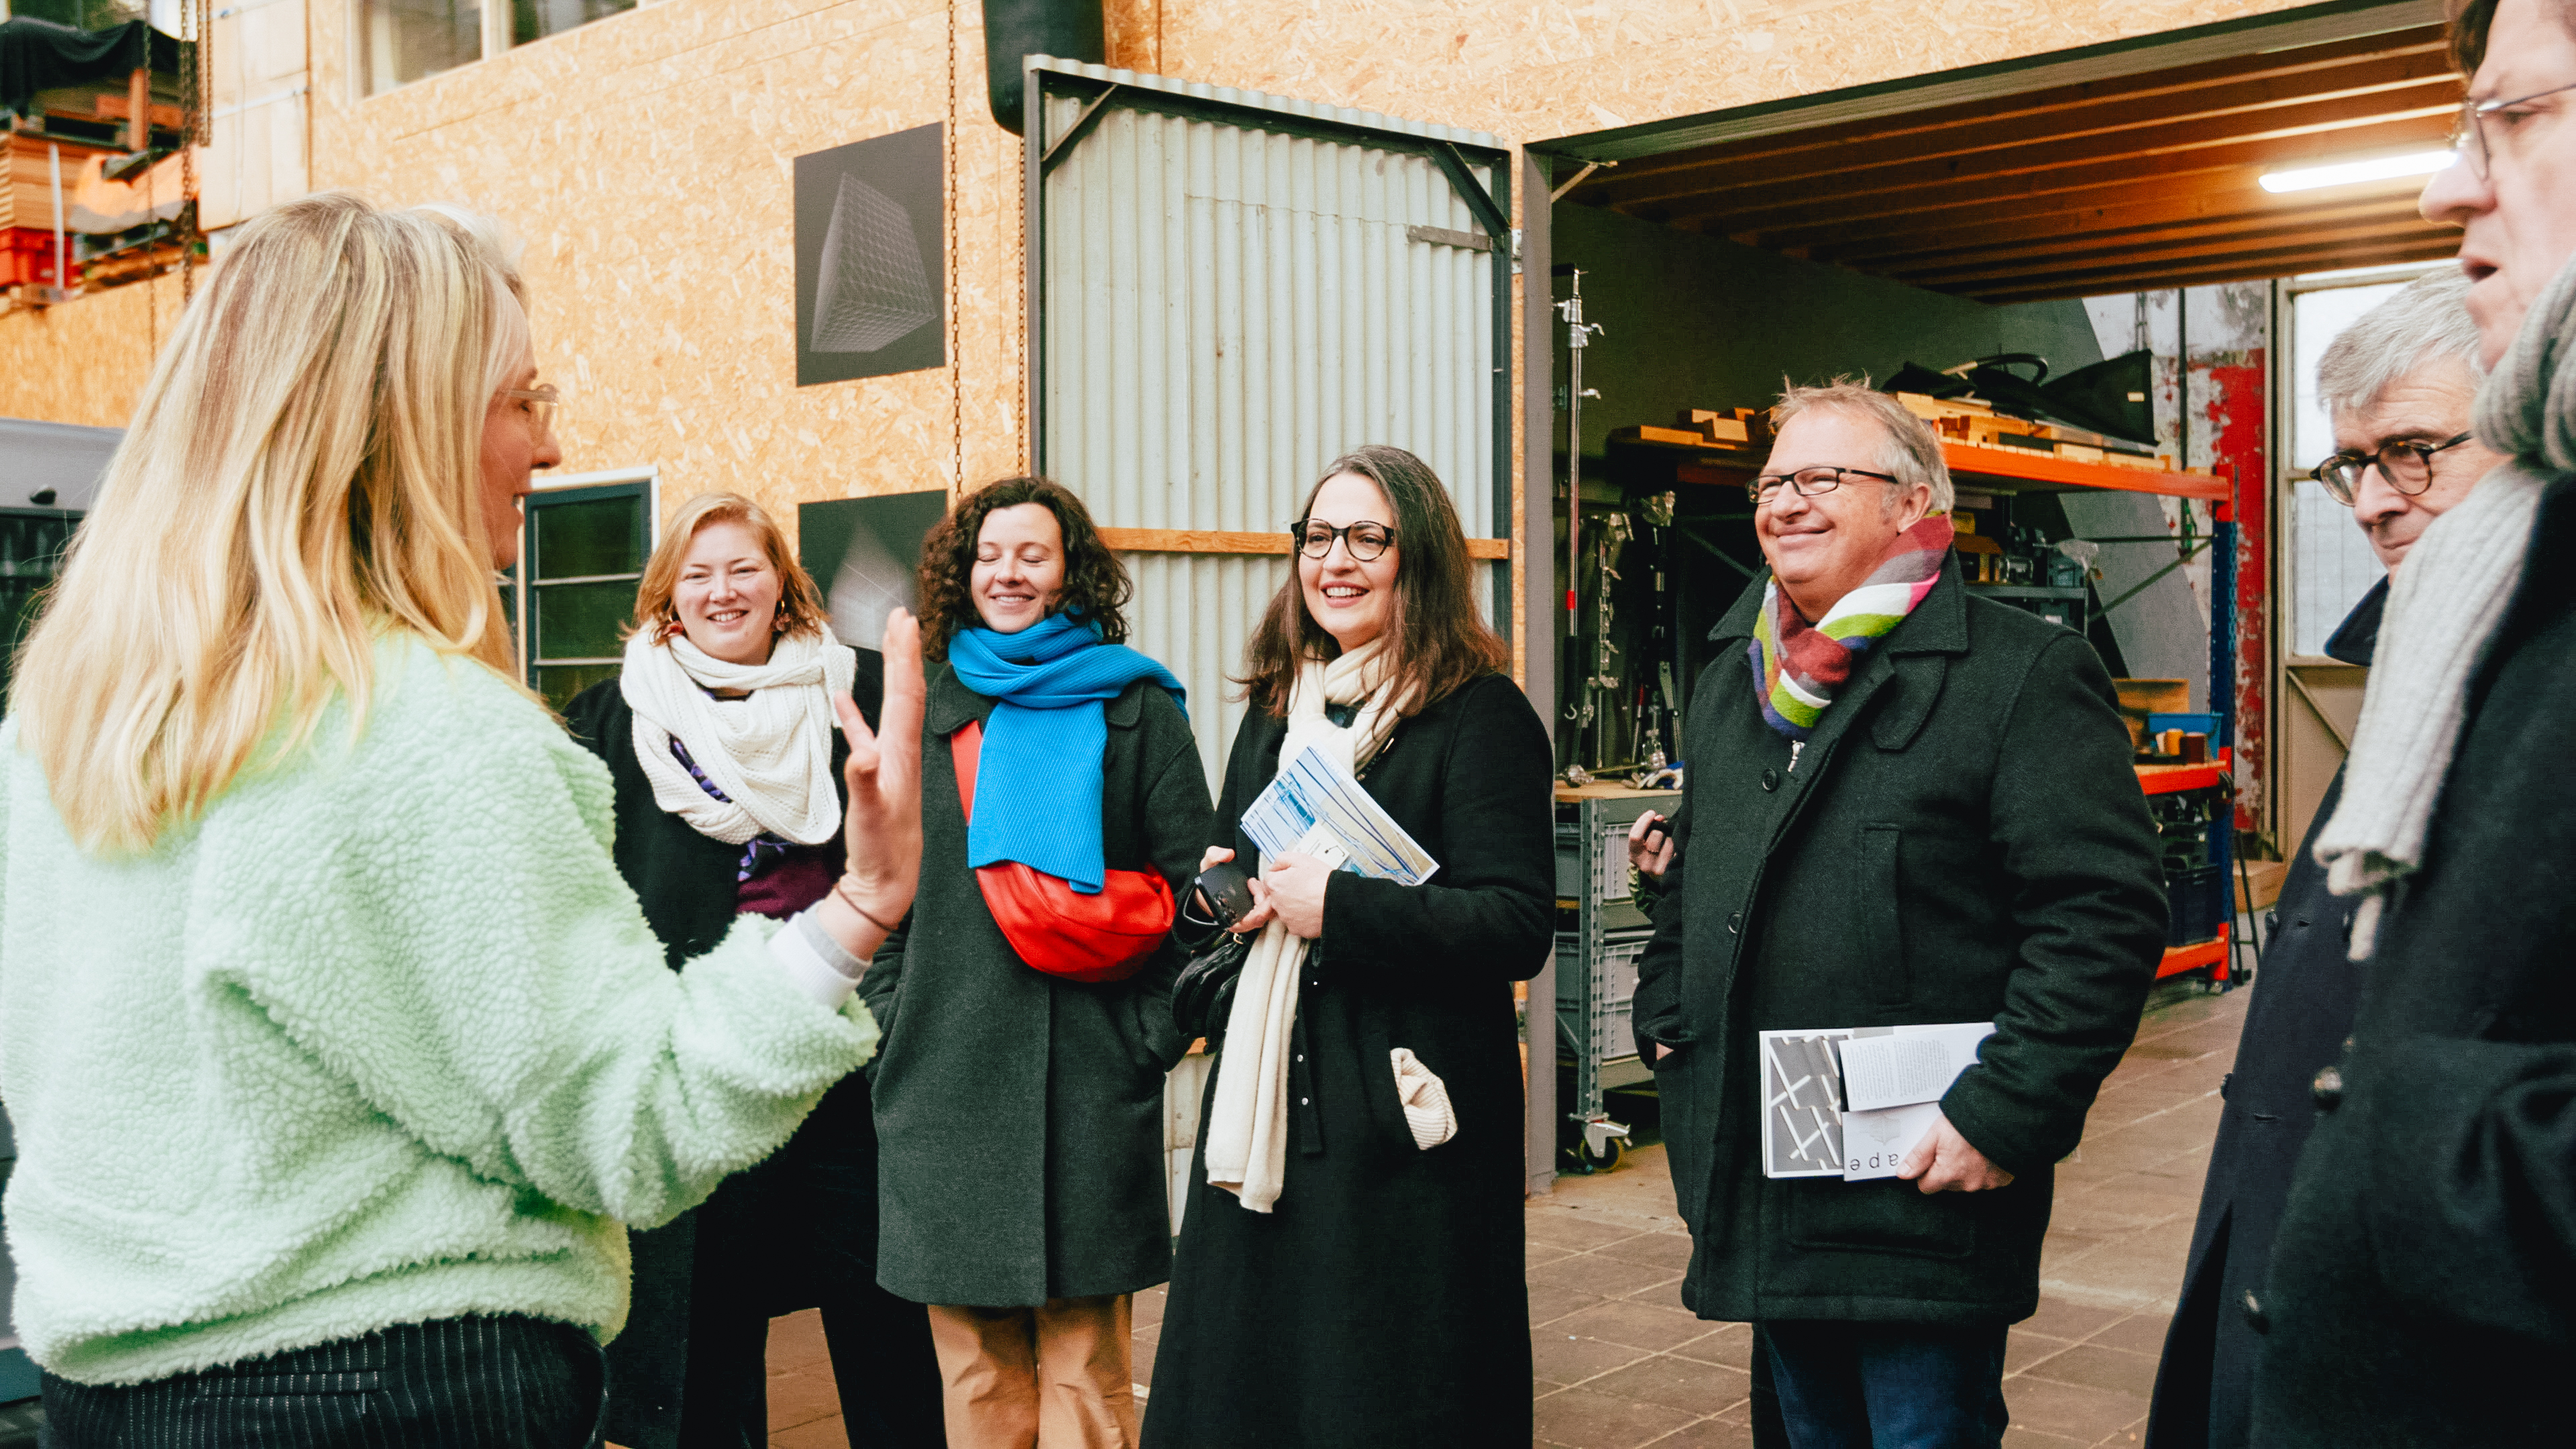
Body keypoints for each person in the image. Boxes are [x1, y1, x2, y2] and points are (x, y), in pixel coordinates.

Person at [0, 192, 923, 1447]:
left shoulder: (66, 722)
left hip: (109, 1388)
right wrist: (858, 908)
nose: (549, 447)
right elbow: (635, 1127)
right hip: (398, 1386)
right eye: (521, 400)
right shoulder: (425, 728)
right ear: (404, 423)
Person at [1627, 383, 2165, 1449]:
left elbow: (2102, 917)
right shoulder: (1739, 684)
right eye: (1772, 482)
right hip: (1771, 1174)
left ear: (1914, 501)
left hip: (1921, 1181)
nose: (1785, 502)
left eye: (1822, 477)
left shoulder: (2018, 676)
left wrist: (2003, 1115)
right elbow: (1703, 874)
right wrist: (1665, 1005)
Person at [2251, 1, 2576, 1440]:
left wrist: (2387, 1120)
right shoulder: (2452, 643)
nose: (2448, 186)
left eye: (2517, 116)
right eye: (2352, 468)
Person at [2143, 271, 2502, 1449]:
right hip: (2288, 1248)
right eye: (2353, 465)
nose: (2373, 503)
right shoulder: (2421, 662)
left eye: (2414, 454)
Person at [1141, 445, 1555, 1449]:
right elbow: (1230, 870)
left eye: (1370, 538)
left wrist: (1343, 906)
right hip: (1271, 1105)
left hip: (1404, 1125)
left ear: (1422, 558)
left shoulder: (1479, 714)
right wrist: (1223, 895)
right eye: (1319, 536)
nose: (1337, 561)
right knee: (1257, 1390)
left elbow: (1516, 922)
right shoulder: (1279, 711)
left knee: (1381, 1391)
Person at [563, 492, 944, 1449]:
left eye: (744, 568)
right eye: (698, 574)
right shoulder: (610, 721)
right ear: (667, 597)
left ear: (783, 584)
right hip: (700, 1069)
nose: (722, 591)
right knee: (705, 1346)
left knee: (891, 1343)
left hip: (848, 1068)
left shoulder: (851, 696)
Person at [861, 477, 1208, 1449]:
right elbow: (878, 886)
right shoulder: (923, 706)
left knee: (1085, 1376)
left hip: (1089, 1087)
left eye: (1032, 555)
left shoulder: (1136, 706)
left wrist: (1148, 1038)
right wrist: (893, 1027)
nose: (1007, 573)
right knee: (976, 1377)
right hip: (941, 1085)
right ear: (962, 573)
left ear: (1070, 572)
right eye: (989, 556)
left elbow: (1203, 901)